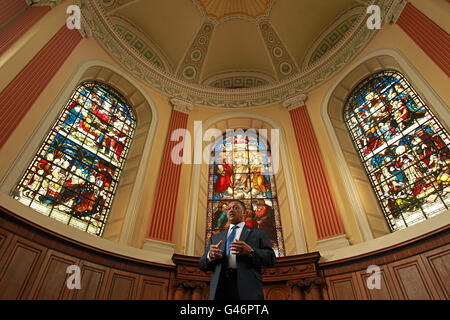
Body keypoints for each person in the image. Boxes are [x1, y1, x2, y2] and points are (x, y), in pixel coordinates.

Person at [199, 200, 276, 300]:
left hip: (248, 287)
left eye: (235, 208)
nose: (231, 210)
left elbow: (271, 259)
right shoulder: (216, 238)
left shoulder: (258, 234)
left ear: (244, 213)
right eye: (229, 208)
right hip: (220, 288)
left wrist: (251, 252)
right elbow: (202, 265)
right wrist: (210, 256)